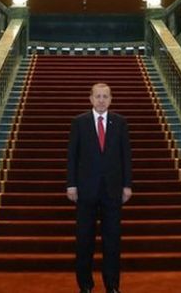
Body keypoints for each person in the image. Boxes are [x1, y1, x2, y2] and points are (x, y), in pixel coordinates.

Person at [67, 82, 133, 293]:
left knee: (112, 242)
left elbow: (126, 156)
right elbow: (72, 157)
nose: (102, 100)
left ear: (111, 99)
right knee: (84, 241)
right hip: (85, 191)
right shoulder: (79, 122)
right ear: (91, 99)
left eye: (105, 96)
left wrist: (127, 185)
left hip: (112, 191)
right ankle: (85, 286)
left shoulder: (120, 122)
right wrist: (71, 185)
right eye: (98, 96)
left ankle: (112, 285)